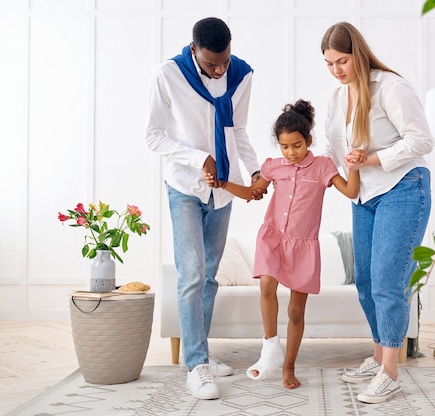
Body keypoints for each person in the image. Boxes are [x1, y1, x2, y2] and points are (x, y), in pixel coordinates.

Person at [204, 99, 361, 389]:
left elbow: (351, 192)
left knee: (296, 312)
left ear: (309, 141)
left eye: (297, 146)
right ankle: (270, 346)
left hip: (303, 246)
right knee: (266, 284)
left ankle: (288, 367)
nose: (291, 153)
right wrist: (223, 184)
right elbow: (253, 193)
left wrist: (352, 165)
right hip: (273, 237)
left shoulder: (323, 167)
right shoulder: (274, 167)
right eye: (285, 147)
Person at [144, 17, 262, 400]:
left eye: (224, 60)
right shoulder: (168, 75)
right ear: (193, 49)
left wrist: (257, 171)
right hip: (184, 185)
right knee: (192, 273)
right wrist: (199, 158)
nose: (219, 69)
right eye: (212, 63)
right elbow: (153, 136)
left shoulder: (241, 75)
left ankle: (202, 356)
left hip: (223, 191)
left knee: (210, 276)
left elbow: (238, 131)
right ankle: (196, 365)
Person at [321, 22, 433, 404]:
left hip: (403, 188)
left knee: (388, 282)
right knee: (367, 282)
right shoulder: (337, 99)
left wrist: (372, 159)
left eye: (342, 60)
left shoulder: (390, 87)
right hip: (363, 196)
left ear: (359, 53)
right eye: (329, 63)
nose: (336, 69)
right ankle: (376, 356)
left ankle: (390, 372)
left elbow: (422, 140)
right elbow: (332, 147)